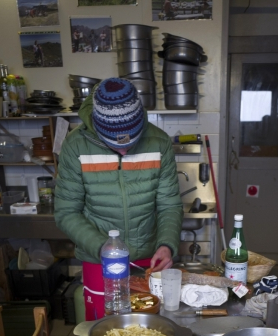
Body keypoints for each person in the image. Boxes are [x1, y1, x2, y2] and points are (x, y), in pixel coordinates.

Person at [54, 78, 183, 320]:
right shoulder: (75, 146)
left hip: (149, 258)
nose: (124, 151)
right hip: (98, 259)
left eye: (130, 141)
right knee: (104, 329)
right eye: (115, 143)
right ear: (98, 127)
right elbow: (66, 212)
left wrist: (167, 245)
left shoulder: (159, 142)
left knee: (149, 330)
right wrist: (101, 247)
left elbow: (169, 205)